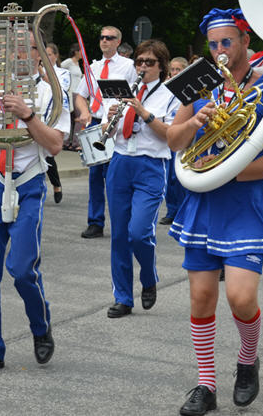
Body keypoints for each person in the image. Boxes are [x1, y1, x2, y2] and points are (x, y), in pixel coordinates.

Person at [167, 8, 263, 415]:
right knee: (202, 297)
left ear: (243, 42)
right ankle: (206, 385)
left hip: (244, 205)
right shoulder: (200, 86)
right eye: (214, 44)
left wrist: (229, 172)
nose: (220, 50)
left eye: (227, 42)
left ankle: (247, 360)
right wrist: (194, 122)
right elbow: (173, 140)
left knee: (240, 297)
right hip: (203, 205)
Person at [0, 29, 69, 375]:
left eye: (26, 49)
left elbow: (54, 144)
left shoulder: (50, 90)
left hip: (28, 181)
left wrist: (27, 114)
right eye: (12, 49)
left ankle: (40, 327)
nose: (18, 55)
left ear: (41, 53)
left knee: (23, 269)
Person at [103, 39, 178, 318]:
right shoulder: (123, 88)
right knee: (120, 235)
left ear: (162, 67)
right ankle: (122, 297)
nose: (143, 67)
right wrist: (111, 117)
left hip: (151, 164)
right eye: (139, 62)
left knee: (139, 233)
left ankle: (149, 277)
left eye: (149, 62)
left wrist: (143, 112)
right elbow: (107, 130)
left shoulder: (170, 94)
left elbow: (169, 135)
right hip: (121, 162)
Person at [74, 26, 135, 239]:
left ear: (118, 42)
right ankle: (95, 222)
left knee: (116, 176)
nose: (105, 41)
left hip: (116, 122)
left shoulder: (128, 66)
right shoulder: (93, 67)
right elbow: (81, 95)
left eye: (109, 38)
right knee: (95, 175)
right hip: (96, 121)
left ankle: (121, 221)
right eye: (102, 37)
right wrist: (84, 113)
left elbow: (134, 95)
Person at [159, 56, 189, 226]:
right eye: (173, 69)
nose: (175, 72)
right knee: (169, 177)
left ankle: (183, 212)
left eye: (179, 69)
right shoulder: (165, 87)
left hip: (182, 133)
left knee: (179, 177)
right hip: (166, 133)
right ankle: (172, 211)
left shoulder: (188, 86)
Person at [44, 42, 70, 203]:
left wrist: (42, 73)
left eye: (49, 55)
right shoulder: (35, 71)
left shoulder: (63, 73)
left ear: (56, 56)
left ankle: (56, 183)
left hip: (55, 116)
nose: (46, 58)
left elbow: (57, 90)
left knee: (48, 152)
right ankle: (53, 183)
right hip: (40, 114)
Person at [60, 43, 83, 150]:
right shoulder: (69, 62)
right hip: (71, 93)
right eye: (81, 51)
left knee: (74, 118)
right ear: (76, 52)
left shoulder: (77, 63)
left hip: (77, 92)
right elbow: (60, 67)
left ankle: (70, 141)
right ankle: (73, 142)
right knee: (77, 117)